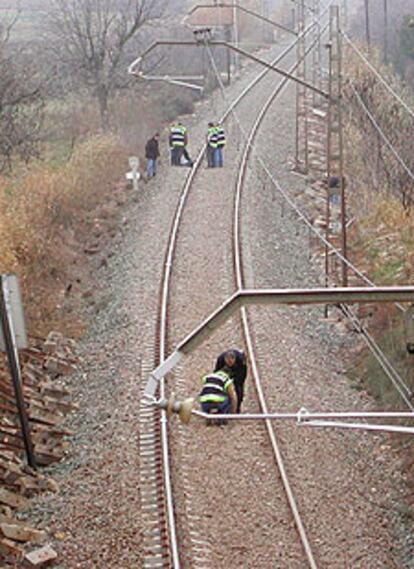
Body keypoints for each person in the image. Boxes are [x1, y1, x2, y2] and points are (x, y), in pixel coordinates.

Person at [214, 349, 247, 413]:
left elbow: (242, 376)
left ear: (234, 360)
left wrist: (236, 382)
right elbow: (216, 372)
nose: (229, 364)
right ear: (225, 359)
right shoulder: (220, 359)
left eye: (231, 362)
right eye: (228, 362)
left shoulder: (240, 360)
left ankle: (237, 407)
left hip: (238, 371)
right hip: (225, 372)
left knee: (239, 389)